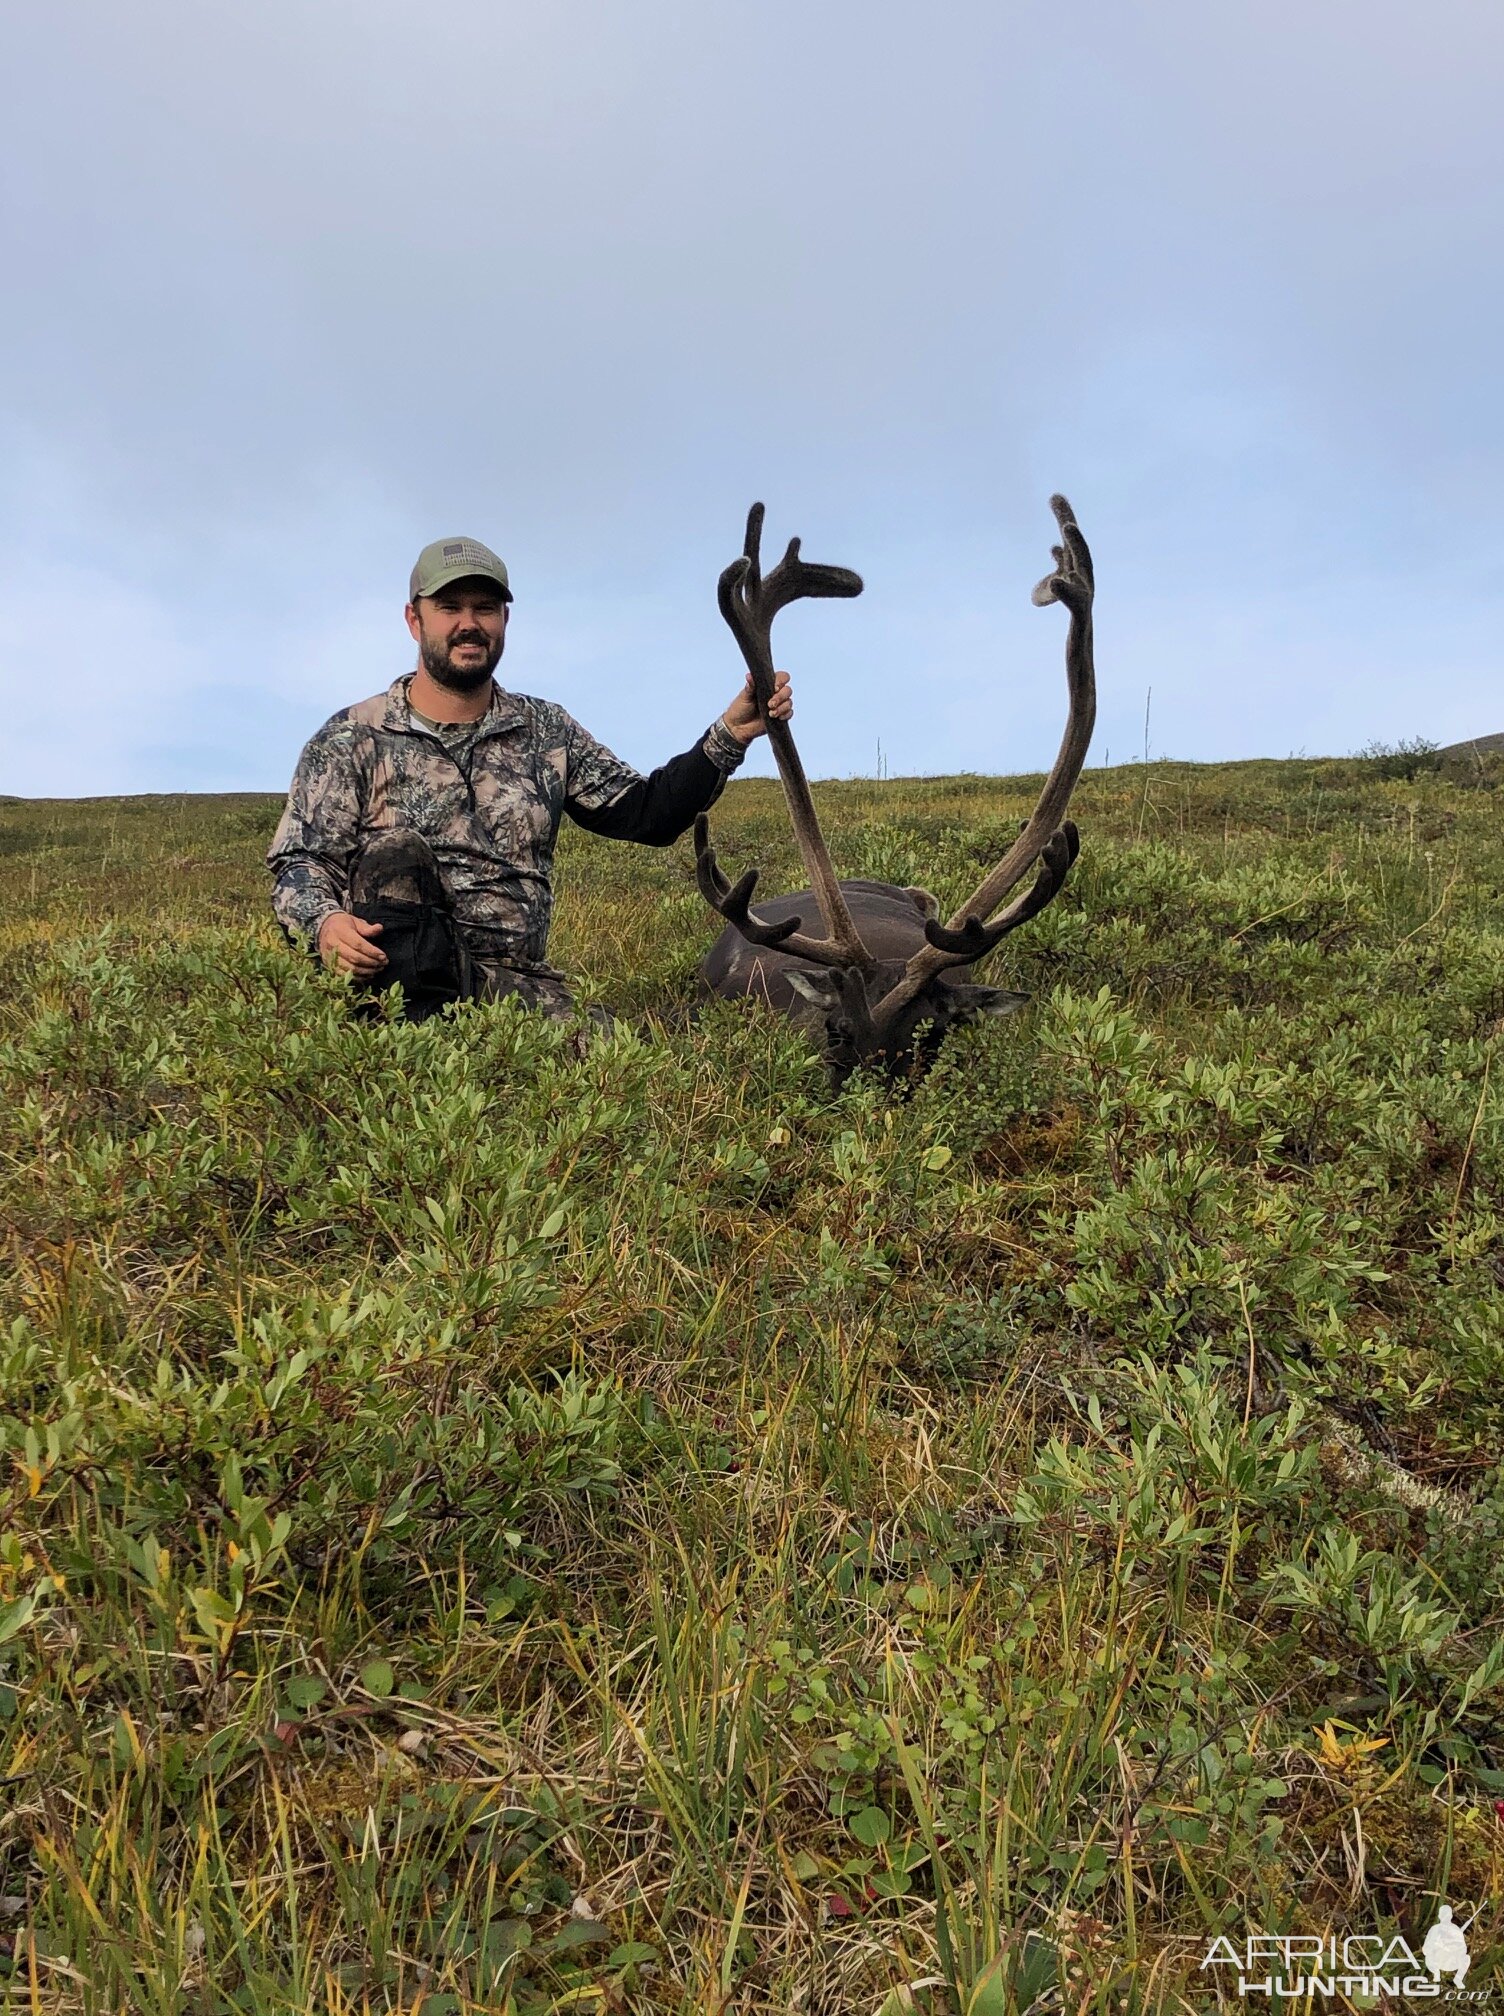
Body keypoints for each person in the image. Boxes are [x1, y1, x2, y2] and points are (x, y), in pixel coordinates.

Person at [267, 534, 793, 1024]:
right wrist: (325, 925)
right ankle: (402, 1051)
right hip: (394, 985)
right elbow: (300, 861)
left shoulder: (546, 731)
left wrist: (732, 731)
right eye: (449, 608)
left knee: (624, 1065)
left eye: (485, 608)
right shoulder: (352, 736)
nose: (468, 623)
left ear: (504, 620)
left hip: (511, 984)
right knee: (395, 854)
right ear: (414, 620)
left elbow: (648, 813)